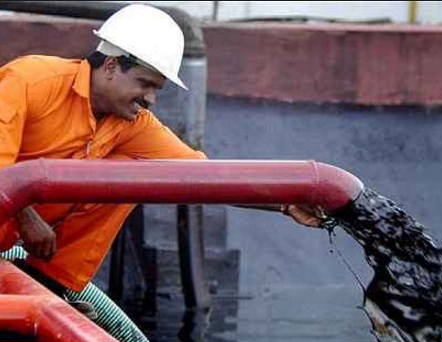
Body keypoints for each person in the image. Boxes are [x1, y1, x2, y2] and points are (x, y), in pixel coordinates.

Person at [0, 4, 324, 296]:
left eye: (156, 89)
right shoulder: (31, 81)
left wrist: (285, 201)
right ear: (110, 66)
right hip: (12, 220)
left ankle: (48, 286)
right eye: (145, 84)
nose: (150, 100)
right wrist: (25, 216)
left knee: (127, 176)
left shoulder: (132, 124)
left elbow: (202, 177)